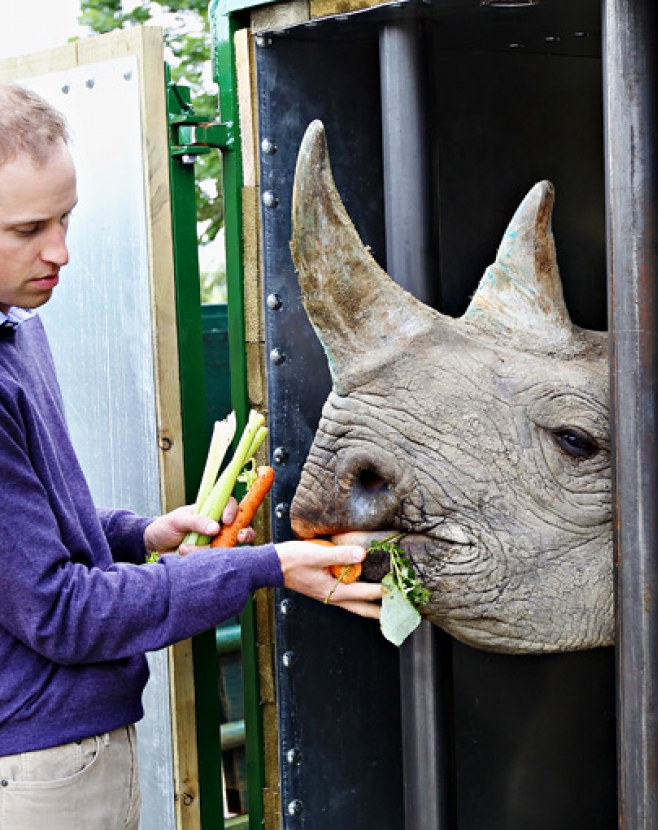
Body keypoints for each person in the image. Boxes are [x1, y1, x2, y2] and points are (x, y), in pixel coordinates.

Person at [0, 81, 382, 829]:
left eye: (67, 218)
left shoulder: (18, 323)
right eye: (28, 228)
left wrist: (140, 534)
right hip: (39, 767)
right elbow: (59, 611)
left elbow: (35, 523)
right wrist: (264, 566)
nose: (61, 252)